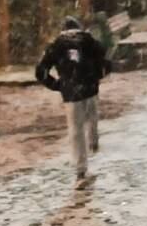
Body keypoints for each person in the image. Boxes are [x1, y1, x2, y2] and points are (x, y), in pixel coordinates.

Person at [34, 17, 111, 186]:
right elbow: (106, 61)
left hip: (71, 92)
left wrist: (57, 85)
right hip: (89, 88)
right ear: (79, 28)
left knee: (75, 131)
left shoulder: (56, 45)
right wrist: (97, 77)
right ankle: (93, 139)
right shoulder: (89, 41)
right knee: (92, 117)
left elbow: (40, 71)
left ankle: (80, 173)